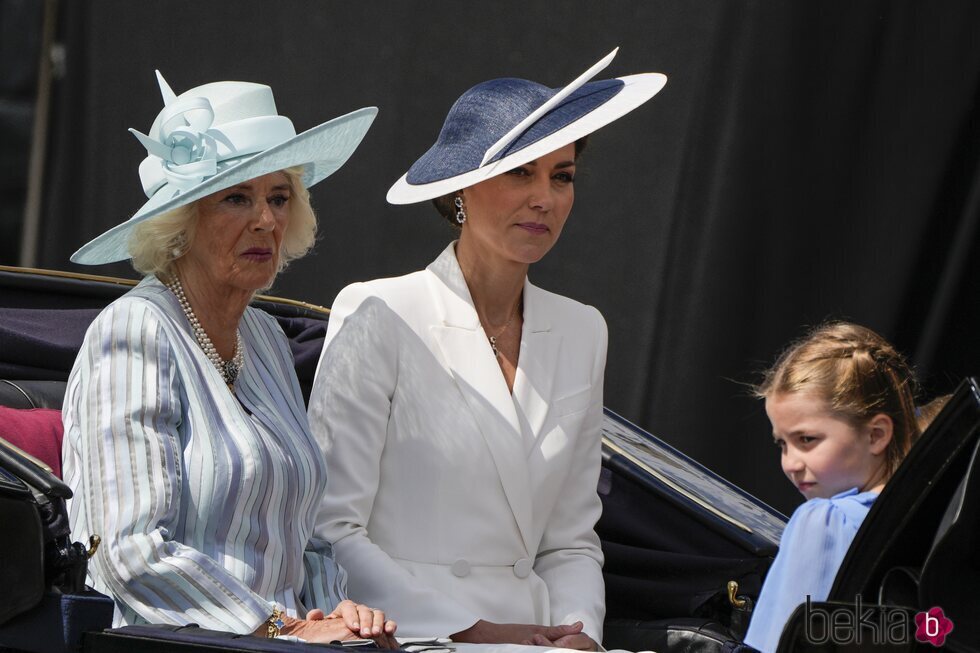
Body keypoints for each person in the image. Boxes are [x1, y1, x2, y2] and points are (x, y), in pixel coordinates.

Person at [307, 49, 667, 650]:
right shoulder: (381, 310)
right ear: (460, 191)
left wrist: (581, 636)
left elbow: (571, 539)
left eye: (562, 175)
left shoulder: (584, 330)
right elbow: (331, 528)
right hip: (413, 635)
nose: (545, 198)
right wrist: (466, 630)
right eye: (520, 172)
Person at [62, 71, 398, 645]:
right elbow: (128, 550)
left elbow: (306, 538)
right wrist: (276, 626)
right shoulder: (136, 330)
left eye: (278, 197)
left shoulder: (265, 336)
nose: (265, 219)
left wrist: (336, 618)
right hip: (174, 642)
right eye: (237, 198)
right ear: (181, 222)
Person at [743, 322, 921, 653]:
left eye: (806, 440)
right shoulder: (924, 517)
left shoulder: (824, 519)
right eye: (782, 444)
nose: (790, 463)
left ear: (876, 435)